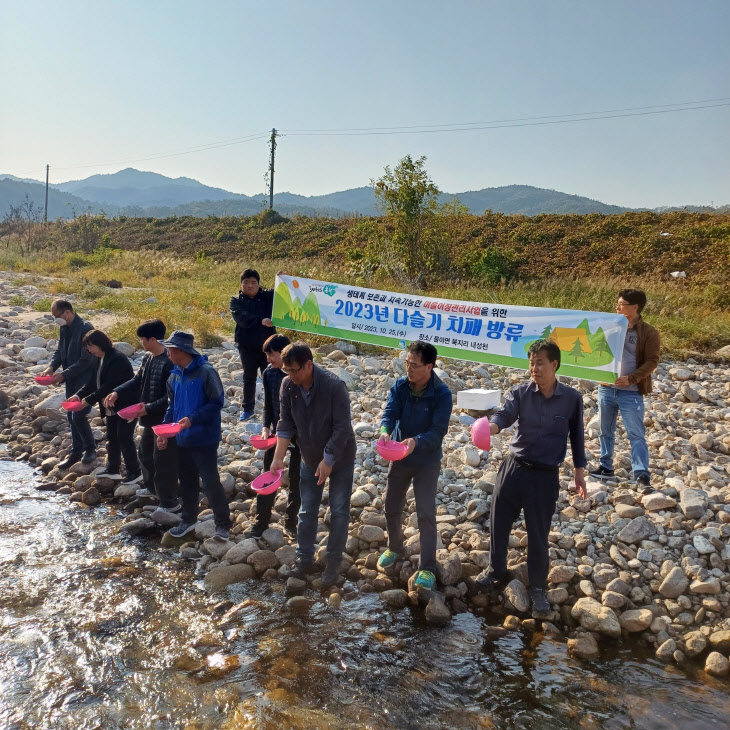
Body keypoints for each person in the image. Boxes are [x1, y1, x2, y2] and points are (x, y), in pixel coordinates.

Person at [474, 339, 587, 615]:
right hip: (514, 469)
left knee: (538, 533)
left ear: (554, 365)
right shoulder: (520, 393)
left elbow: (577, 436)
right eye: (531, 362)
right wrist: (492, 426)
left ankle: (537, 588)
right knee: (498, 521)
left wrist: (579, 471)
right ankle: (496, 569)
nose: (534, 368)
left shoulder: (572, 398)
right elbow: (505, 415)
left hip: (545, 476)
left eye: (540, 363)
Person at [269, 341, 356, 589]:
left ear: (309, 364)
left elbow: (342, 428)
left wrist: (328, 459)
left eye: (295, 370)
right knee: (307, 510)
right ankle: (304, 558)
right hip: (308, 454)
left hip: (340, 457)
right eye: (287, 370)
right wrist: (278, 457)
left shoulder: (333, 386)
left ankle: (333, 562)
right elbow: (285, 423)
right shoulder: (288, 385)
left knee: (339, 511)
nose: (291, 375)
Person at [377, 342, 453, 591]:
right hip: (400, 455)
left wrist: (416, 442)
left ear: (429, 367)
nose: (408, 368)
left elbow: (438, 432)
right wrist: (385, 431)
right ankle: (395, 547)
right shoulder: (401, 386)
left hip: (427, 460)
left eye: (414, 364)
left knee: (425, 513)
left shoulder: (441, 394)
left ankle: (428, 567)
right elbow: (390, 412)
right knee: (391, 504)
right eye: (407, 362)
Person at [157, 331, 232, 541]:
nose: (167, 353)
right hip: (181, 439)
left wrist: (193, 418)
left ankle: (223, 525)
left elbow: (217, 402)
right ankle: (188, 520)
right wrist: (163, 432)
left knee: (210, 481)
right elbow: (171, 407)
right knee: (187, 481)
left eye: (170, 349)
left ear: (181, 351)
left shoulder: (206, 372)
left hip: (204, 438)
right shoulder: (174, 375)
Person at [104, 319, 179, 514]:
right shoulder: (148, 357)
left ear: (153, 339)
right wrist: (118, 391)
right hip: (148, 416)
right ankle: (154, 490)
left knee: (162, 460)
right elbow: (138, 380)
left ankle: (170, 501)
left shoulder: (169, 361)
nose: (141, 344)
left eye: (142, 340)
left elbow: (171, 397)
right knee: (145, 454)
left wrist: (149, 408)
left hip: (163, 418)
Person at [590, 289, 661, 487]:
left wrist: (631, 379)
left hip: (631, 392)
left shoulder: (648, 332)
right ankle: (605, 467)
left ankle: (641, 473)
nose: (617, 307)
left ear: (635, 307)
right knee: (605, 430)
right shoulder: (611, 327)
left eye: (621, 304)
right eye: (618, 303)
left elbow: (652, 361)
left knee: (636, 434)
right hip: (606, 388)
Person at [245, 334, 301, 539]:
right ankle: (261, 522)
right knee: (268, 475)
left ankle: (291, 522)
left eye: (271, 354)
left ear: (285, 352)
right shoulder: (268, 373)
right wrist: (265, 427)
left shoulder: (300, 374)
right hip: (277, 434)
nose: (268, 359)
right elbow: (268, 406)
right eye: (266, 355)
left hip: (301, 436)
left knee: (297, 480)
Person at [70, 329, 141, 485]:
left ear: (100, 343)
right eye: (87, 347)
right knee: (112, 436)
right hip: (109, 405)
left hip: (125, 404)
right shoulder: (99, 358)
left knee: (124, 437)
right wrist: (78, 396)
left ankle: (134, 471)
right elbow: (92, 383)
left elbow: (109, 385)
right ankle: (113, 468)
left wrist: (87, 401)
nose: (89, 350)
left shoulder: (117, 359)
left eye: (90, 346)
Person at [42, 299, 96, 468]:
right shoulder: (64, 328)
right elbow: (60, 351)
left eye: (56, 316)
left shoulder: (86, 328)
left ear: (67, 312)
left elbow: (86, 360)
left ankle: (90, 450)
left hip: (87, 380)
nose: (55, 320)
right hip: (71, 379)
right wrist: (51, 367)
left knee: (78, 415)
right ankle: (76, 452)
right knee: (70, 416)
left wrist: (63, 374)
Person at [230, 268, 275, 422]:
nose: (250, 285)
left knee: (270, 376)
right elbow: (242, 318)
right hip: (246, 346)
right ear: (241, 284)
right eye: (246, 282)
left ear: (258, 284)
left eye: (253, 282)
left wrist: (284, 280)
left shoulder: (268, 297)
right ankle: (247, 409)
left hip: (268, 347)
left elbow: (284, 294)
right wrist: (260, 321)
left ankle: (274, 409)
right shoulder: (236, 301)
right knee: (249, 377)